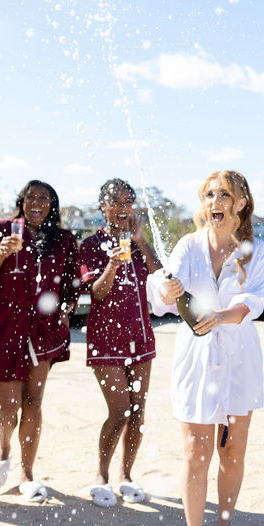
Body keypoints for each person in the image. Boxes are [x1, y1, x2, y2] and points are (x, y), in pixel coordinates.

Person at [145, 170, 264, 526]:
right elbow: (163, 291)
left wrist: (220, 315)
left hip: (239, 356)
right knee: (195, 453)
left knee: (232, 450)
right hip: (196, 357)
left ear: (239, 203)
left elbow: (254, 301)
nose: (214, 201)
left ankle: (225, 525)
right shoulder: (187, 245)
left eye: (223, 195)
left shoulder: (254, 251)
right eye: (208, 195)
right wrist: (165, 290)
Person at [0, 180, 79, 503]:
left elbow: (72, 282)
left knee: (33, 402)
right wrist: (1, 255)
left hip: (43, 327)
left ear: (52, 205)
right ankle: (3, 450)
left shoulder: (63, 239)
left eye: (44, 198)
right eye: (31, 197)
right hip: (6, 323)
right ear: (22, 201)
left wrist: (67, 307)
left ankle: (27, 474)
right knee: (8, 406)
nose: (37, 202)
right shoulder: (2, 229)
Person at [76, 178, 164, 507]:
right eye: (116, 201)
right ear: (103, 207)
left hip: (140, 336)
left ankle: (126, 475)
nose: (124, 206)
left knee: (138, 412)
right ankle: (101, 474)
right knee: (119, 411)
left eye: (129, 200)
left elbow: (160, 277)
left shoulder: (138, 242)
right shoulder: (90, 245)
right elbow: (97, 292)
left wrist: (141, 243)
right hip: (105, 339)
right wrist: (112, 263)